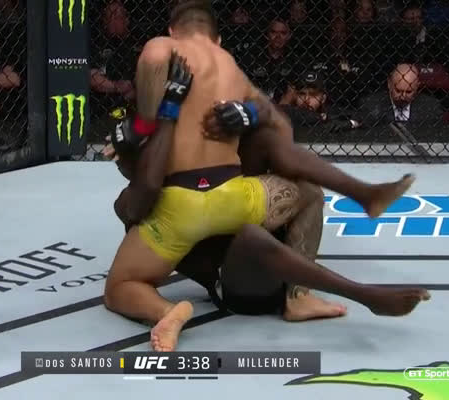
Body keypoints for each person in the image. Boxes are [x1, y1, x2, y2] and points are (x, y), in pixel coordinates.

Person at [104, 0, 428, 352]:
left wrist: (153, 116)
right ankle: (311, 282)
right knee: (300, 195)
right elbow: (279, 125)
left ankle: (167, 311)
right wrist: (248, 112)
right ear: (218, 39)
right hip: (234, 200)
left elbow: (146, 170)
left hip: (180, 210)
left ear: (171, 32)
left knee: (121, 282)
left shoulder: (162, 52)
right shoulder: (228, 66)